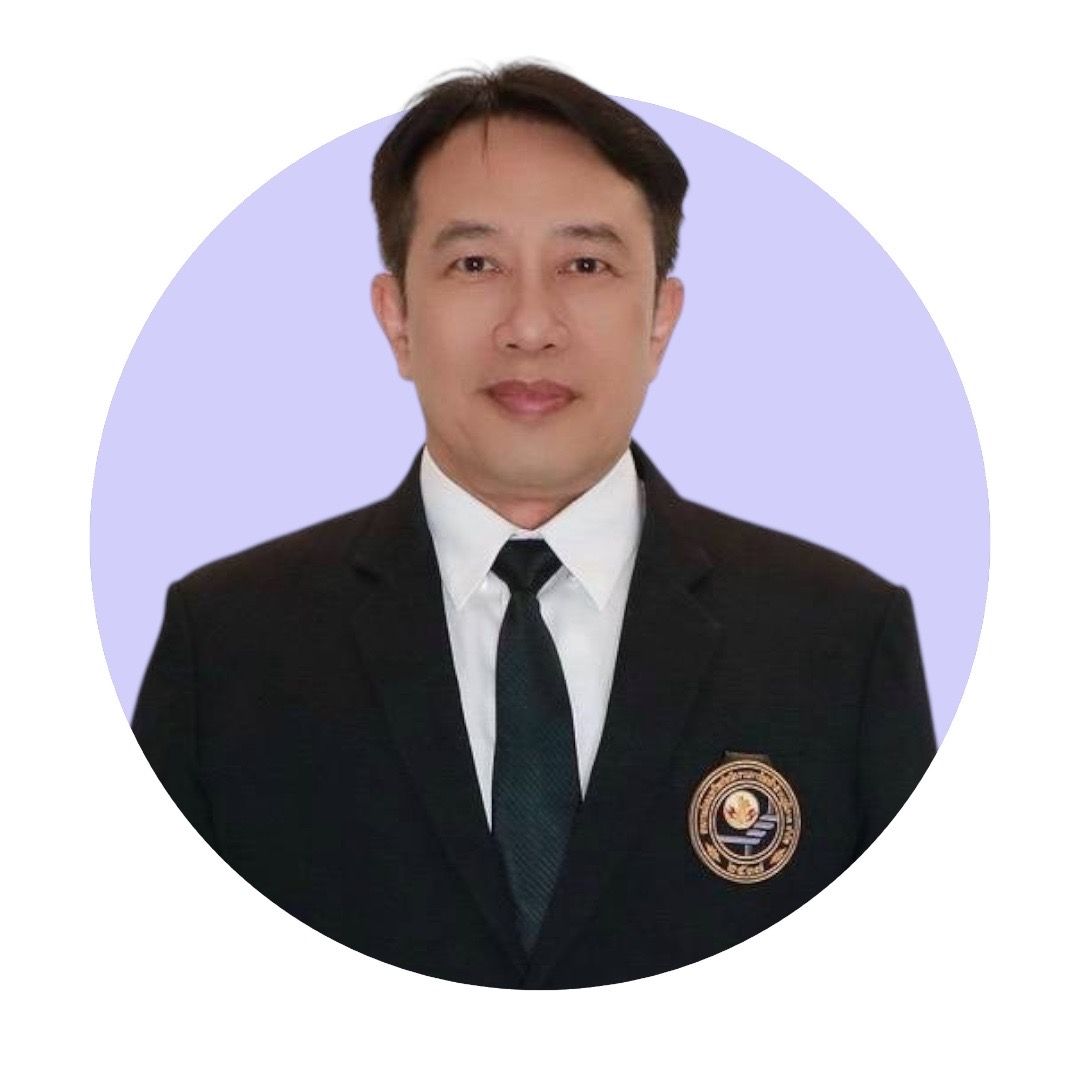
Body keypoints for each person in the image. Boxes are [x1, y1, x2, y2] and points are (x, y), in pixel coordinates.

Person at [133, 61, 936, 990]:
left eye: (585, 265)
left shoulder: (840, 639)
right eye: (475, 264)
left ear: (660, 320)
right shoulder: (227, 644)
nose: (530, 326)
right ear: (397, 318)